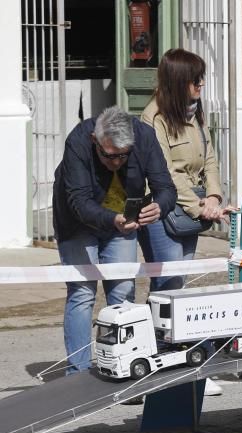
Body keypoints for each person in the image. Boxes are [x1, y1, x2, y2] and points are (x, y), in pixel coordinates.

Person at [53, 105, 175, 374]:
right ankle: (78, 373)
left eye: (123, 156)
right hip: (78, 223)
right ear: (95, 141)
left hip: (123, 223)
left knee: (122, 294)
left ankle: (123, 366)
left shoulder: (144, 136)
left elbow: (165, 187)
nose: (116, 162)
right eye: (109, 156)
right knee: (82, 293)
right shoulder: (78, 140)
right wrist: (112, 220)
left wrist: (160, 206)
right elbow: (79, 202)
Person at [139, 48, 229, 292]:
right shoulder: (154, 118)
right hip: (161, 209)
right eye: (195, 79)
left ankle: (167, 330)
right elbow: (164, 174)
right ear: (178, 82)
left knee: (180, 280)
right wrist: (200, 208)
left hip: (191, 207)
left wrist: (213, 196)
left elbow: (209, 158)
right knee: (169, 282)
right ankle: (159, 330)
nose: (201, 84)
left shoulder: (194, 111)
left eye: (201, 77)